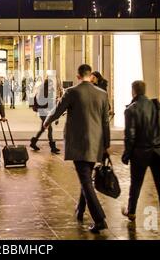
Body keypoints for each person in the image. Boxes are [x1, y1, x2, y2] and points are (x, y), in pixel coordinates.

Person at [44, 64, 110, 234]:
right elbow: (105, 122)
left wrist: (47, 121)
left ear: (78, 75)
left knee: (86, 181)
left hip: (79, 143)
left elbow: (58, 110)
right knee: (86, 176)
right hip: (96, 142)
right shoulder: (102, 94)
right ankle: (80, 210)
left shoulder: (72, 92)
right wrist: (106, 144)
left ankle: (99, 219)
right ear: (90, 75)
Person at [121, 80, 160, 234]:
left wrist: (126, 154)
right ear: (144, 91)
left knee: (136, 183)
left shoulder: (131, 109)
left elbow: (130, 136)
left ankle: (131, 212)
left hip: (140, 153)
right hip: (159, 152)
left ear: (133, 91)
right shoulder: (157, 105)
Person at [30, 76, 60, 154]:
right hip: (43, 112)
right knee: (49, 128)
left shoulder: (47, 91)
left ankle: (33, 143)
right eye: (50, 85)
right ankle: (52, 147)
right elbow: (42, 103)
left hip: (46, 112)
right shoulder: (42, 92)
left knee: (43, 129)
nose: (52, 86)